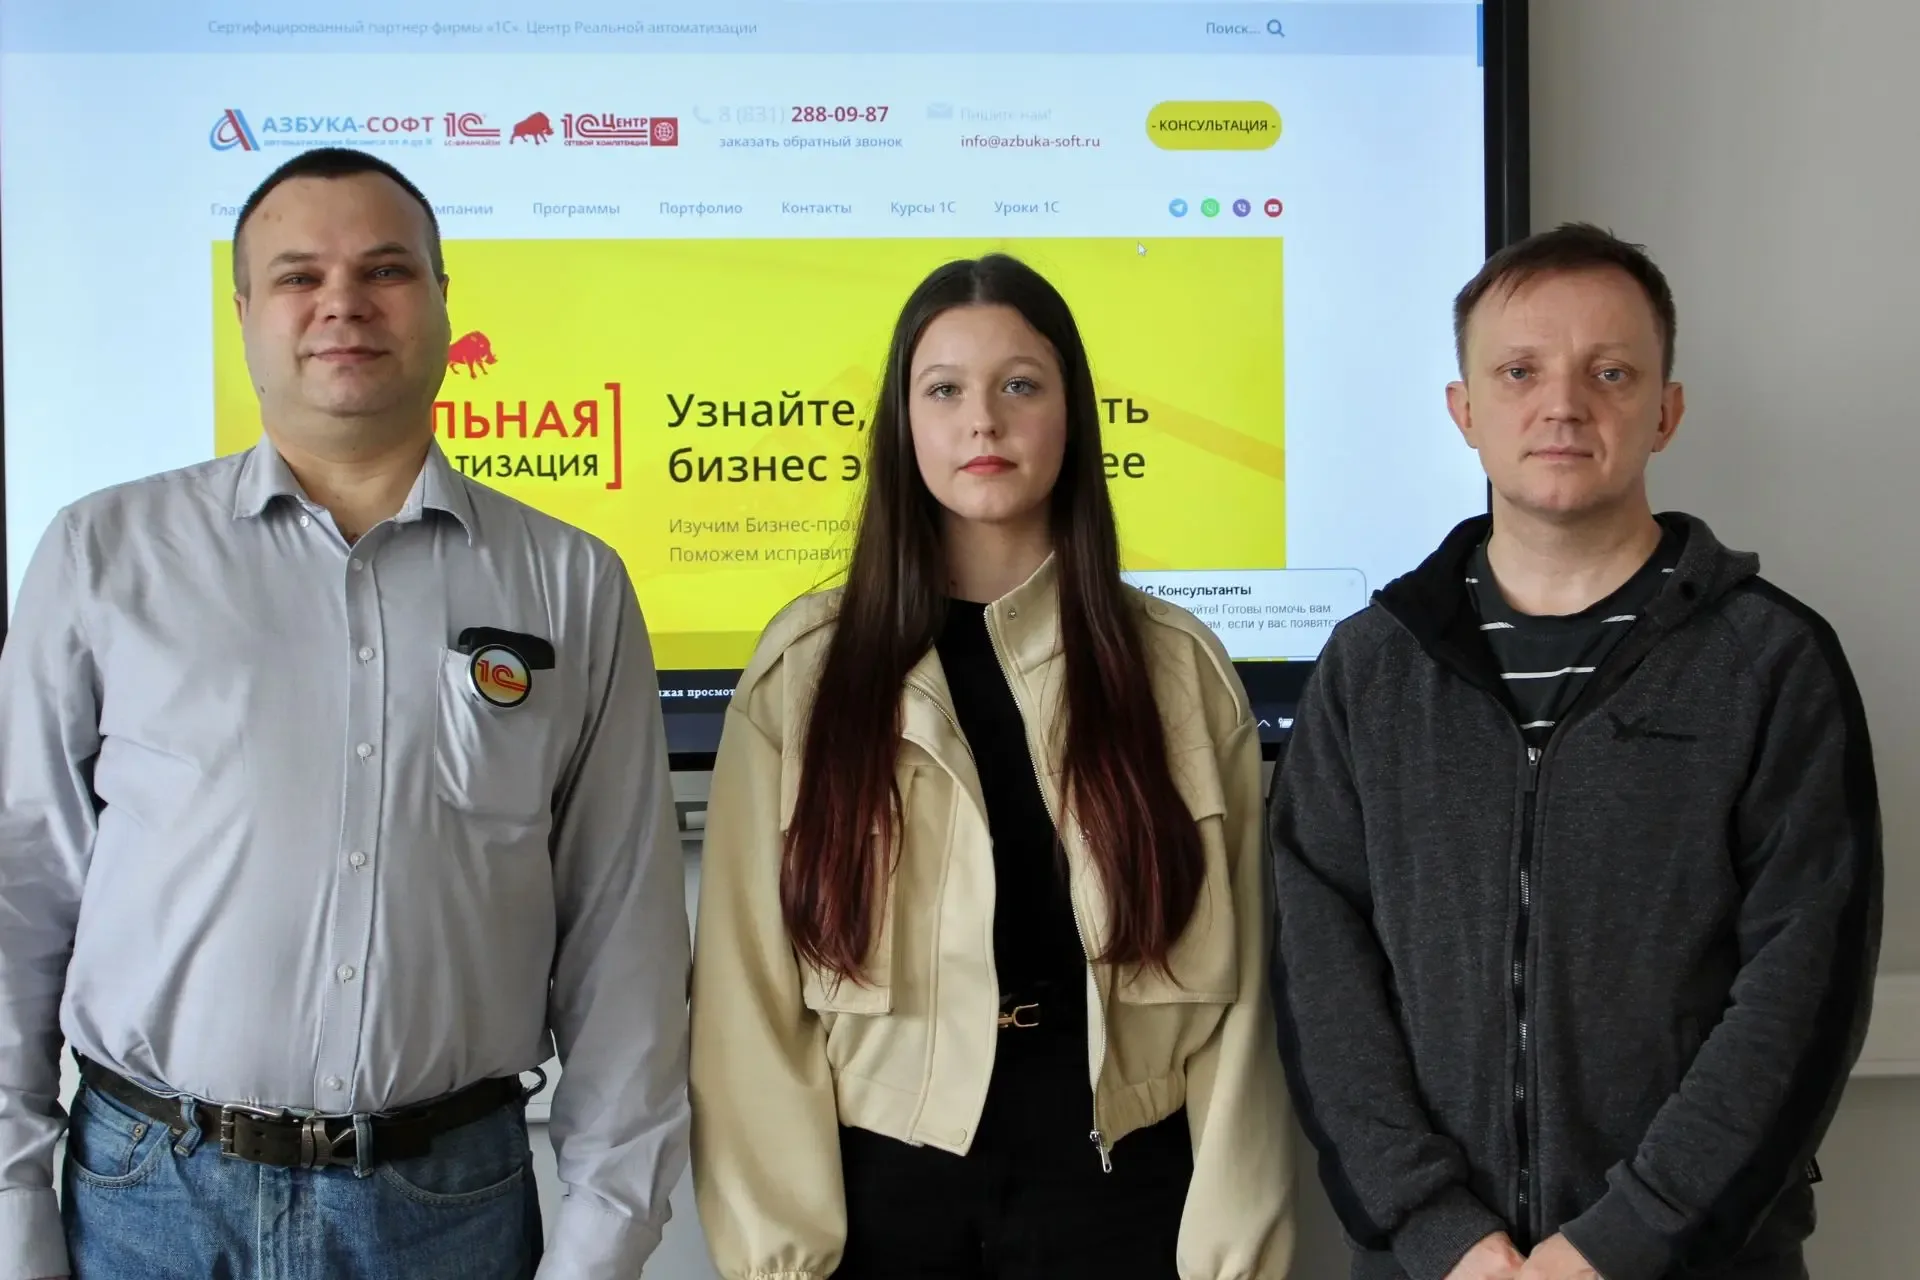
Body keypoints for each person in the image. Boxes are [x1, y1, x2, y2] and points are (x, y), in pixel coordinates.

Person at [0, 147, 691, 1280]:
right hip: (146, 1200)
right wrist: (13, 1213)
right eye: (297, 276)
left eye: (385, 270)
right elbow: (20, 891)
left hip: (448, 1208)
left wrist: (605, 1238)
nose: (343, 303)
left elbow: (625, 939)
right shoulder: (102, 554)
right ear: (243, 314)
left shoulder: (571, 583)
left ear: (444, 302)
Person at [1268, 222, 1882, 1280]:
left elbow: (1801, 990)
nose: (1562, 405)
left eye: (1610, 372)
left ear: (1666, 410)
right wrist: (1441, 1231)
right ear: (1464, 410)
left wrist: (1617, 1243)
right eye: (1519, 372)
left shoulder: (1772, 661)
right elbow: (1322, 972)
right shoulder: (1369, 669)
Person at [688, 253, 1293, 1279]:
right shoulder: (805, 671)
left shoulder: (1179, 670)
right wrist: (781, 1255)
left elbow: (1243, 1017)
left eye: (1020, 384)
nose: (983, 422)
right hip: (881, 1195)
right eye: (944, 390)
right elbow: (747, 997)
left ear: (1073, 415)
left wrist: (1234, 1256)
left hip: (1123, 1188)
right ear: (904, 423)